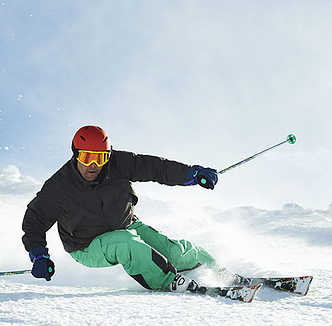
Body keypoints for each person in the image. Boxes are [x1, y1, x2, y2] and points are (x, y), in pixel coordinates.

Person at [21, 125, 219, 293]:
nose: (93, 165)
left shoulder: (118, 164)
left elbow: (156, 168)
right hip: (87, 245)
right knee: (126, 243)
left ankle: (217, 269)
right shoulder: (60, 186)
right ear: (75, 155)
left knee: (174, 252)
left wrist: (192, 174)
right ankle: (169, 282)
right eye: (86, 157)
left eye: (99, 158)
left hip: (126, 226)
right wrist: (39, 255)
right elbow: (34, 220)